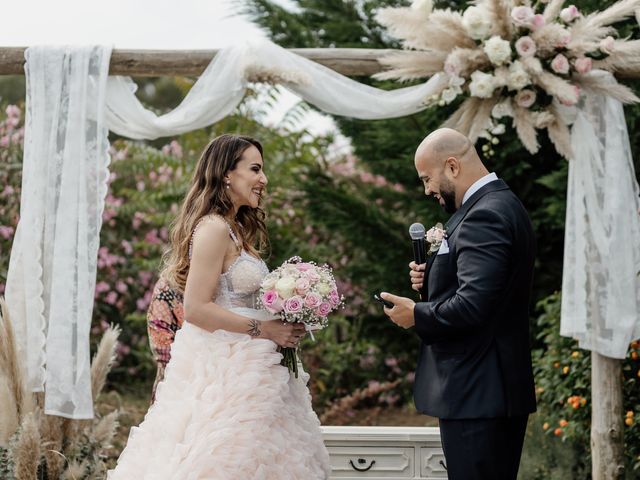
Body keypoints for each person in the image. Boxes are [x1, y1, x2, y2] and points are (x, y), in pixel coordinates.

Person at [108, 134, 331, 479]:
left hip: (258, 363)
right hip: (227, 367)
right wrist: (265, 330)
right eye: (255, 169)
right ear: (226, 173)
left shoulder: (236, 230)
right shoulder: (212, 228)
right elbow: (196, 308)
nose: (263, 180)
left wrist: (289, 312)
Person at [381, 128, 536, 480]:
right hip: (489, 390)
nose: (427, 190)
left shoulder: (486, 215)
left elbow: (472, 306)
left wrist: (415, 315)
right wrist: (434, 279)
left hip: (479, 391)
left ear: (451, 166)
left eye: (427, 178)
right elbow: (486, 292)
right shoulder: (497, 204)